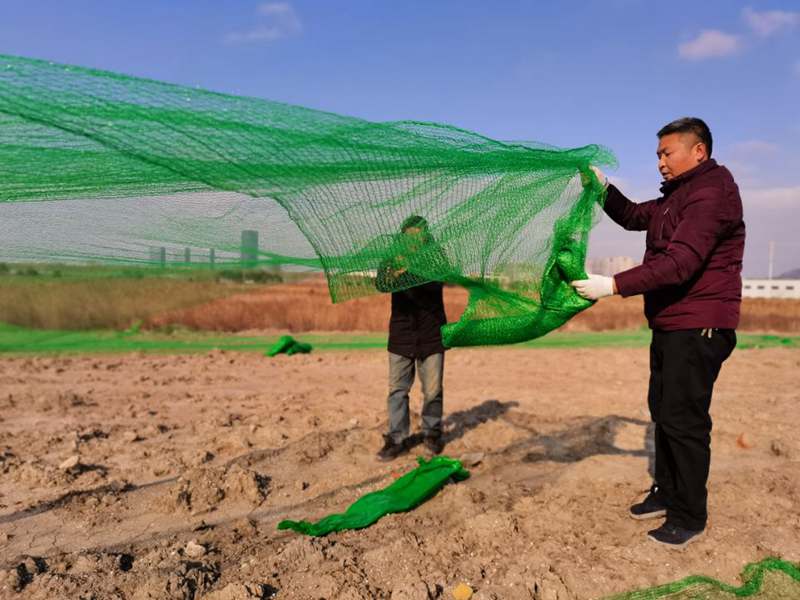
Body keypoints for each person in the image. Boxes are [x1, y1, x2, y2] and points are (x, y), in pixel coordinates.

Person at [571, 117, 745, 548]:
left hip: (700, 324)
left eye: (667, 153)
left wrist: (613, 285)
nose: (660, 163)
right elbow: (634, 216)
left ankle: (689, 515)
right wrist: (603, 188)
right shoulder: (678, 196)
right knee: (664, 412)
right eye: (658, 155)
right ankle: (666, 491)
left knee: (684, 420)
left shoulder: (711, 194)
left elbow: (681, 263)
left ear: (698, 151)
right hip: (671, 322)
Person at [374, 215, 449, 461]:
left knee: (433, 390)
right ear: (402, 236)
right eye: (409, 235)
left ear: (426, 237)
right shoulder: (391, 259)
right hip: (401, 336)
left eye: (419, 235)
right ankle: (396, 438)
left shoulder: (436, 257)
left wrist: (411, 270)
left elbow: (437, 283)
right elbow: (381, 284)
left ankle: (432, 433)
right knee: (397, 391)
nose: (414, 240)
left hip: (432, 335)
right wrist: (395, 272)